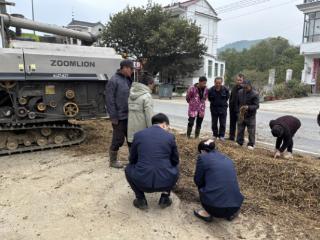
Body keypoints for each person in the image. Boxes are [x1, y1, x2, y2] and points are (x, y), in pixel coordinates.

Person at [125, 113, 179, 210]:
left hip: (142, 182)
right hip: (165, 181)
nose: (168, 129)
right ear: (164, 124)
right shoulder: (170, 137)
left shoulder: (138, 135)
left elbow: (132, 159)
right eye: (168, 127)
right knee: (176, 167)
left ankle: (141, 200)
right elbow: (175, 160)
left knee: (128, 168)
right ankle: (165, 198)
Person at [193, 139, 244, 222]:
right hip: (235, 206)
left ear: (202, 151)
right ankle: (229, 214)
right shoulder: (228, 159)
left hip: (214, 208)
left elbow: (197, 181)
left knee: (202, 183)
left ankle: (207, 212)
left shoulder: (203, 158)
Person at [105, 59, 134, 168]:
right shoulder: (114, 80)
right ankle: (112, 161)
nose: (132, 71)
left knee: (131, 138)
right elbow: (109, 100)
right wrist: (113, 117)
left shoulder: (128, 80)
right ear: (125, 68)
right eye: (131, 69)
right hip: (119, 117)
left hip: (129, 116)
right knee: (118, 139)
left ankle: (133, 160)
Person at [127, 73, 155, 145]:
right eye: (153, 84)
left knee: (133, 154)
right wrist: (153, 132)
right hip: (143, 134)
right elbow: (149, 117)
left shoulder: (131, 94)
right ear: (149, 84)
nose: (153, 86)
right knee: (142, 155)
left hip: (130, 133)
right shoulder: (147, 96)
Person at [236, 80, 259, 150]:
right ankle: (239, 142)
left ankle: (251, 144)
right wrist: (238, 111)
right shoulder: (240, 92)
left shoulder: (255, 94)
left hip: (250, 115)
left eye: (246, 87)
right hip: (241, 114)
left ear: (250, 86)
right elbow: (237, 103)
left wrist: (248, 107)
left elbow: (256, 106)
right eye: (244, 87)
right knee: (240, 128)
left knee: (251, 130)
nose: (245, 89)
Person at [228, 73, 244, 141]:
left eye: (240, 80)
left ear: (243, 80)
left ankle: (239, 139)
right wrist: (230, 105)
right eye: (237, 80)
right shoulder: (234, 87)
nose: (239, 81)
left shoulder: (244, 89)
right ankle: (231, 137)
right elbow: (231, 97)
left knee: (240, 125)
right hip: (232, 109)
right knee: (232, 124)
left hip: (239, 110)